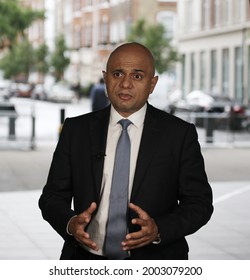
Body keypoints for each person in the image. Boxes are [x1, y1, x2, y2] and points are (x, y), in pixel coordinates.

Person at [39, 42, 213, 260]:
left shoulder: (179, 134)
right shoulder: (76, 130)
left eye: (138, 76)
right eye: (118, 73)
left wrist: (158, 229)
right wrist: (70, 223)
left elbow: (199, 203)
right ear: (105, 78)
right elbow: (51, 197)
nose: (126, 84)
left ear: (152, 83)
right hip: (84, 259)